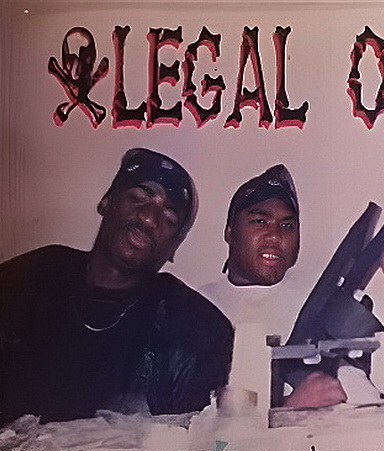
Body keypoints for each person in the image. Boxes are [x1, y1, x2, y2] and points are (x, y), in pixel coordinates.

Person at [0, 148, 234, 426]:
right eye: (139, 197)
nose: (149, 218)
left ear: (175, 246)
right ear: (106, 201)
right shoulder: (28, 279)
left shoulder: (196, 328)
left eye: (169, 217)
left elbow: (182, 443)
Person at [200, 164, 384, 408]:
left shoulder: (323, 294)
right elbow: (195, 422)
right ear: (229, 233)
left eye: (287, 226)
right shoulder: (196, 309)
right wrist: (290, 410)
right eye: (259, 221)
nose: (275, 235)